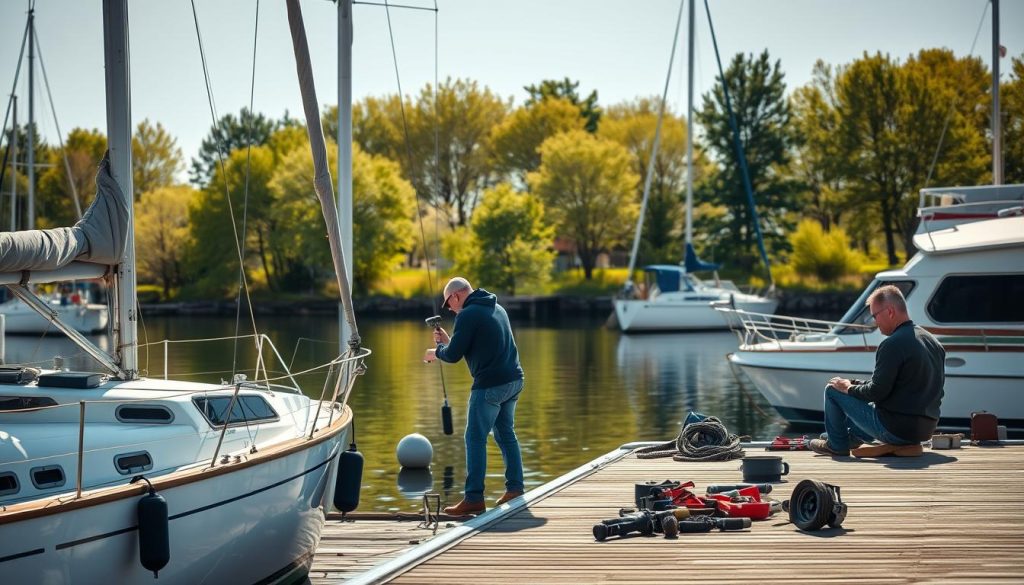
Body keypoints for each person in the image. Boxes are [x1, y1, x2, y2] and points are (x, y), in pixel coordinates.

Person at [424, 277, 525, 515]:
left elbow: (452, 356)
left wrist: (435, 352)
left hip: (490, 385)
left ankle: (474, 498)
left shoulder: (467, 315)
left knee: (474, 438)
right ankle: (515, 488)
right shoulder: (495, 307)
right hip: (514, 380)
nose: (450, 309)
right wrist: (449, 342)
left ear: (456, 296)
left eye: (448, 304)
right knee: (505, 433)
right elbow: (470, 347)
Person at [808, 285, 945, 458]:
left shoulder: (892, 344)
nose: (874, 322)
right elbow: (896, 387)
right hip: (924, 430)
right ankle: (844, 438)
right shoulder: (932, 342)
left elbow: (876, 392)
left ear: (889, 311)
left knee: (832, 389)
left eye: (874, 315)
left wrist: (847, 388)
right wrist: (854, 383)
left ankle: (837, 445)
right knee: (859, 407)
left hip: (897, 430)